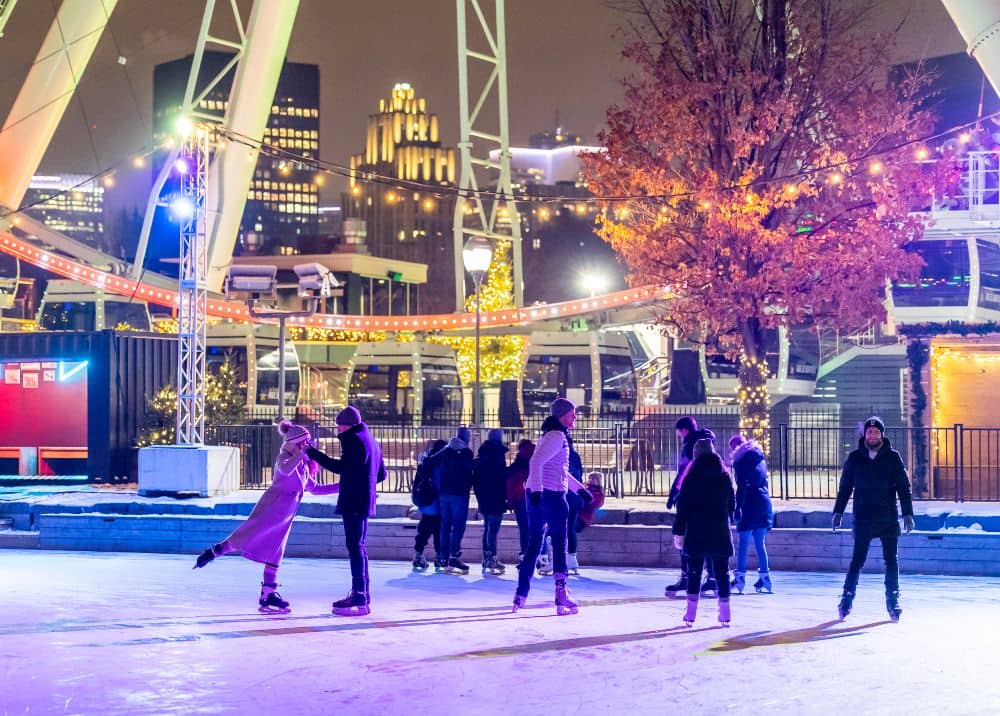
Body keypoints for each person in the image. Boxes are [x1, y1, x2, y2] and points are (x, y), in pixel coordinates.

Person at [193, 420, 340, 614]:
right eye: (303, 443)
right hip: (272, 509)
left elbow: (315, 488)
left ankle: (268, 594)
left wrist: (343, 486)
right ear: (293, 443)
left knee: (276, 554)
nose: (307, 446)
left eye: (307, 443)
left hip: (286, 516)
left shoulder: (303, 465)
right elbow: (286, 470)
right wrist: (302, 453)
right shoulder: (283, 458)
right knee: (246, 536)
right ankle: (214, 552)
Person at [513, 398, 593, 615]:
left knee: (535, 543)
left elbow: (558, 469)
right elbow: (536, 462)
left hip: (537, 494)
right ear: (564, 415)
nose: (576, 417)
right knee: (559, 543)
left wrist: (579, 489)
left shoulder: (549, 435)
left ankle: (521, 594)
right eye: (573, 413)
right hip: (551, 495)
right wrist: (539, 490)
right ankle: (561, 594)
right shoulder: (557, 435)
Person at [832, 416, 915, 622]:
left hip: (887, 517)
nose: (872, 435)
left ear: (881, 435)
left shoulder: (893, 458)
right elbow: (845, 488)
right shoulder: (854, 458)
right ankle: (847, 598)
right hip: (863, 517)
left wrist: (908, 513)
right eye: (869, 432)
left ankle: (893, 599)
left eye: (876, 432)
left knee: (891, 561)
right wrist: (838, 511)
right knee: (857, 561)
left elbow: (904, 488)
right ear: (865, 435)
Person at [306, 406, 386, 617]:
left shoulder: (353, 440)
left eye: (339, 425)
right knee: (359, 546)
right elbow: (381, 475)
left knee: (354, 547)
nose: (337, 430)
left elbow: (341, 468)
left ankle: (359, 594)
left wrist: (312, 452)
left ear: (346, 425)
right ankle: (363, 593)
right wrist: (363, 481)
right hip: (364, 501)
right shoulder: (372, 441)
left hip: (353, 501)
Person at [671, 438, 735, 627]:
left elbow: (682, 509)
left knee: (694, 572)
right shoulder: (724, 477)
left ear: (695, 455)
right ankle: (725, 613)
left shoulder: (690, 479)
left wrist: (679, 532)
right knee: (722, 572)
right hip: (720, 531)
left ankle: (690, 614)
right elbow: (732, 505)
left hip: (696, 532)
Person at [665, 416, 718, 597]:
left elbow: (683, 473)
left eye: (679, 432)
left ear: (684, 430)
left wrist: (674, 494)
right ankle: (711, 577)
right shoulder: (712, 451)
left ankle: (687, 577)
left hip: (691, 500)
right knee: (708, 540)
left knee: (686, 540)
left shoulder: (690, 447)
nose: (679, 436)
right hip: (710, 504)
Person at [425, 426, 475, 574]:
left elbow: (429, 462)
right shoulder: (466, 453)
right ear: (466, 439)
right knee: (458, 526)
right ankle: (454, 555)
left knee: (445, 525)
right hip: (459, 494)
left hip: (444, 494)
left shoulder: (446, 450)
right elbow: (470, 470)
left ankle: (443, 557)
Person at [729, 434, 774, 594]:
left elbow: (741, 486)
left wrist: (736, 507)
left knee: (743, 543)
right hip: (763, 502)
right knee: (760, 543)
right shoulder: (760, 458)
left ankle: (740, 578)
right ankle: (765, 577)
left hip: (749, 503)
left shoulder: (740, 462)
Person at [474, 428, 510, 575]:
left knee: (488, 527)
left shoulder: (482, 454)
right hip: (496, 496)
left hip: (484, 495)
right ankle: (492, 557)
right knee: (493, 529)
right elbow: (501, 478)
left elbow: (476, 477)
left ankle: (487, 557)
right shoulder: (498, 455)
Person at [411, 439, 447, 572]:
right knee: (439, 531)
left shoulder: (426, 462)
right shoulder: (440, 464)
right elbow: (439, 485)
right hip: (437, 503)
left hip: (426, 504)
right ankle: (439, 557)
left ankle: (418, 555)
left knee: (423, 530)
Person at [505, 438, 535, 562]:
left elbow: (509, 483)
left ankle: (525, 555)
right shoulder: (537, 459)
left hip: (520, 498)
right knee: (538, 528)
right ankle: (540, 556)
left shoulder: (517, 464)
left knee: (524, 529)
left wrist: (510, 501)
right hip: (536, 497)